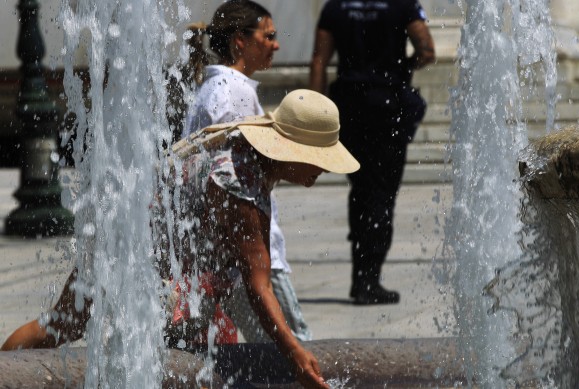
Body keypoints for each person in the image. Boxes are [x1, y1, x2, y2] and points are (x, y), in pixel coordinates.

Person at [3, 89, 359, 389]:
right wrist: (294, 350)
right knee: (71, 328)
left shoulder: (246, 152)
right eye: (318, 159)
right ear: (291, 149)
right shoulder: (241, 187)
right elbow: (258, 284)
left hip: (125, 234)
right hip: (137, 254)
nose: (323, 168)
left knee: (62, 324)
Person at [182, 0, 312, 342]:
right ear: (240, 40)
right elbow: (232, 180)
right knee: (292, 349)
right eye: (268, 36)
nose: (276, 44)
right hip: (247, 255)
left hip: (226, 256)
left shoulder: (215, 88)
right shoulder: (234, 92)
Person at [309, 0, 435, 305]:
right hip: (388, 104)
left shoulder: (335, 8)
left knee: (361, 189)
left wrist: (313, 112)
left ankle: (360, 278)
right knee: (382, 193)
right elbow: (427, 51)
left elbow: (318, 62)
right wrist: (401, 67)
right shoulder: (403, 4)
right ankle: (369, 279)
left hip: (349, 106)